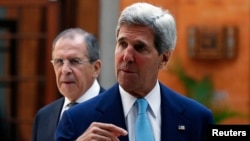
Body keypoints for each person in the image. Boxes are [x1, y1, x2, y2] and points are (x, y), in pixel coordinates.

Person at [56, 2, 214, 141]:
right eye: (122, 44)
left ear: (164, 58)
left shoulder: (197, 119)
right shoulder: (77, 120)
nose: (127, 56)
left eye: (140, 48)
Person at [31, 28, 105, 141]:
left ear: (95, 68)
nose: (65, 70)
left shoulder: (117, 109)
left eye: (74, 61)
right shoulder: (44, 117)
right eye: (59, 62)